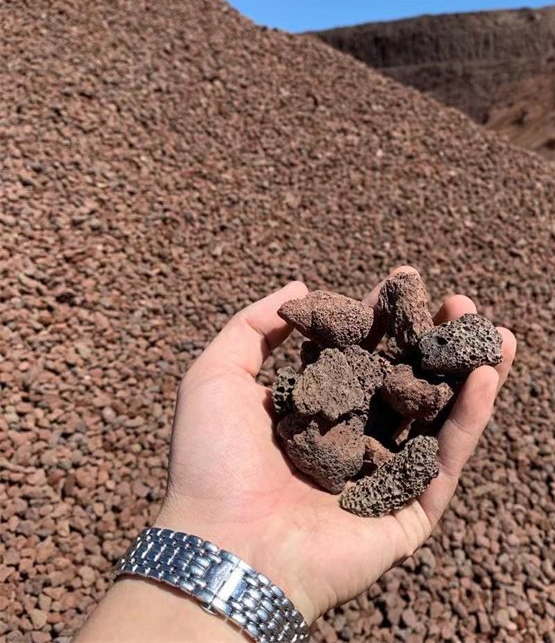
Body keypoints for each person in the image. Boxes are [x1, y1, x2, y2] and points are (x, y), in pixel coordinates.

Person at [76, 268, 516, 642]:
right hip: (346, 439)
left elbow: (405, 398)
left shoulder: (400, 381)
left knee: (421, 444)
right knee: (415, 442)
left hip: (360, 438)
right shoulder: (354, 375)